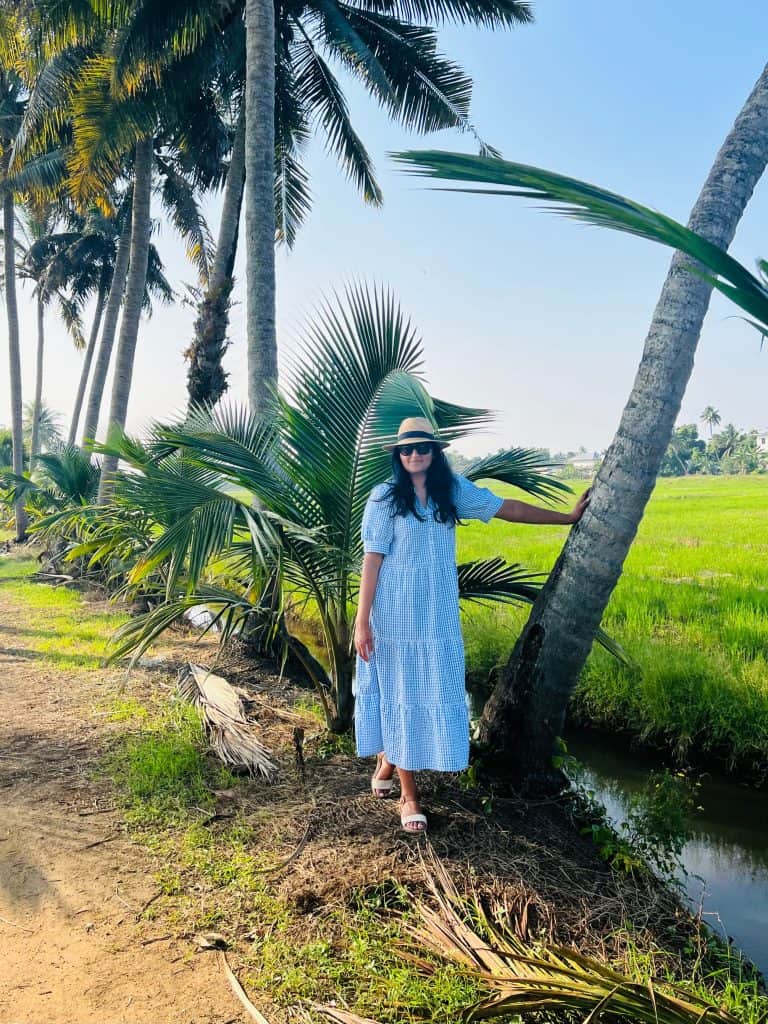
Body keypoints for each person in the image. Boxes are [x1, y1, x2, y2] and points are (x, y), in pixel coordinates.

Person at [353, 416, 589, 834]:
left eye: (422, 447)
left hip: (437, 619)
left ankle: (389, 758)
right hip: (394, 619)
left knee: (435, 689)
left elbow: (505, 508)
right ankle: (409, 796)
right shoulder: (384, 498)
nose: (414, 455)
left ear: (434, 451)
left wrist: (566, 518)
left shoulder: (452, 491)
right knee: (403, 694)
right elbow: (372, 561)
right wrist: (362, 622)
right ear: (397, 454)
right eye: (406, 449)